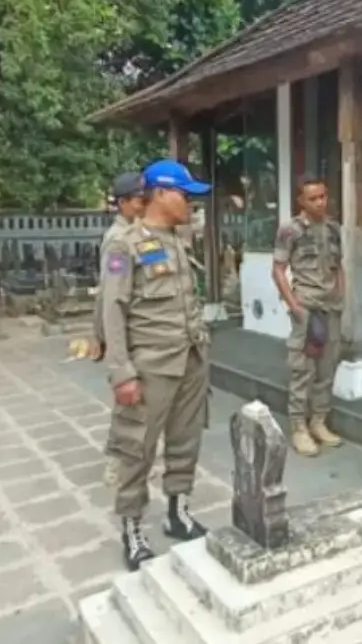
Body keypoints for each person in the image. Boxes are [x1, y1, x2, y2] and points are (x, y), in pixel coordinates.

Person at [101, 158, 213, 571]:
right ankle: (132, 528)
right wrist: (121, 372)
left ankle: (178, 512)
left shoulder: (177, 241)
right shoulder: (124, 245)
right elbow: (112, 311)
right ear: (162, 194)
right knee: (137, 450)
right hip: (150, 367)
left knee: (185, 441)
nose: (189, 204)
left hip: (191, 358)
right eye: (184, 195)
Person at [271, 175, 346, 457]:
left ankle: (319, 422)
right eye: (313, 198)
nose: (320, 202)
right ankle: (298, 427)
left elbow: (339, 267)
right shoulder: (290, 230)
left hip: (331, 309)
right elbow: (278, 269)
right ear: (301, 201)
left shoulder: (333, 229)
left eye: (323, 196)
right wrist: (295, 306)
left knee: (327, 369)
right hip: (307, 307)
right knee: (304, 370)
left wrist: (342, 297)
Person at [89, 172, 146, 488]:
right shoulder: (118, 241)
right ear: (123, 203)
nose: (144, 204)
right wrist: (101, 337)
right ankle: (116, 462)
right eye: (139, 199)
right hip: (128, 335)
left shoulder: (143, 234)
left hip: (142, 332)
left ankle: (135, 456)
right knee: (129, 406)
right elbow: (110, 298)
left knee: (143, 405)